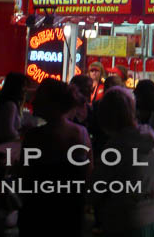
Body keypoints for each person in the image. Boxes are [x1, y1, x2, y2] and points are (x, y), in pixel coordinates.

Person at [18, 79, 92, 237]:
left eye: (39, 97)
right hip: (71, 213)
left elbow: (24, 178)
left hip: (39, 215)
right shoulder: (82, 134)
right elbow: (88, 175)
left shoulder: (34, 137)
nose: (34, 100)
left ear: (51, 103)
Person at [92, 86, 154, 237]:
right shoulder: (149, 137)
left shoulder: (116, 146)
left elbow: (95, 189)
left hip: (124, 221)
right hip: (153, 218)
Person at [0, 72, 27, 147]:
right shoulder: (10, 105)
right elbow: (8, 131)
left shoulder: (5, 102)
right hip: (2, 146)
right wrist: (21, 135)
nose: (25, 90)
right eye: (23, 86)